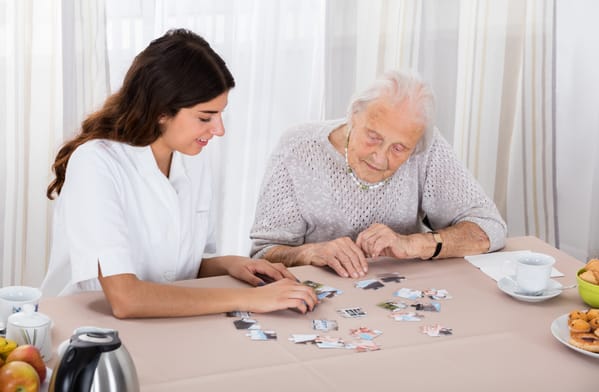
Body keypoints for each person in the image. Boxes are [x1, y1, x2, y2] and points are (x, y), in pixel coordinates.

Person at [41, 29, 317, 318]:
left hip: (164, 325)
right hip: (89, 329)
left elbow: (173, 268)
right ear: (161, 111)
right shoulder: (96, 163)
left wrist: (229, 265)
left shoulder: (190, 159)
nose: (219, 130)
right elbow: (126, 299)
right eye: (205, 117)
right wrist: (249, 299)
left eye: (220, 115)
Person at [250, 70, 507, 279]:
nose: (380, 157)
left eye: (399, 148)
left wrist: (413, 245)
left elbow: (490, 229)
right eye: (373, 137)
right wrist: (309, 253)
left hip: (404, 294)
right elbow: (263, 253)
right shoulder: (298, 147)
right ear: (353, 115)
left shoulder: (425, 148)